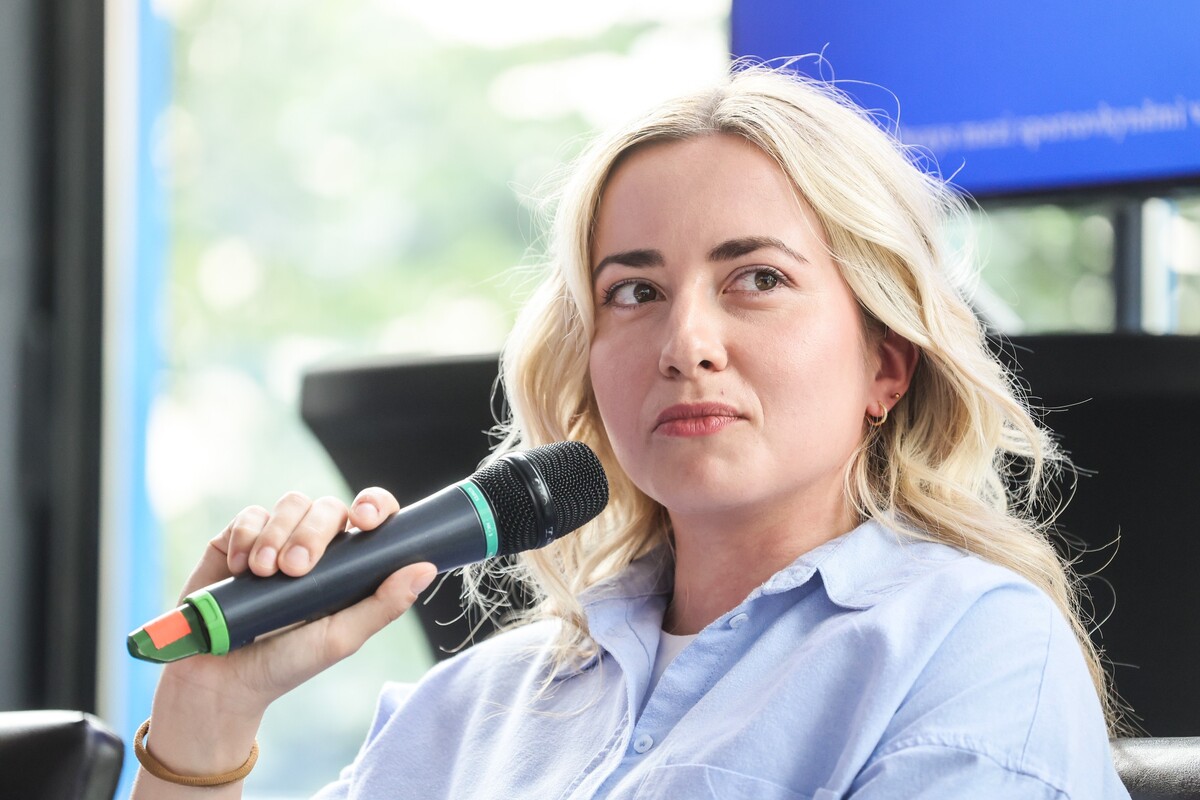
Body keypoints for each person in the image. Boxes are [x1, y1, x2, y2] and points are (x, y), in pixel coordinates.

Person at [131, 64, 1132, 799]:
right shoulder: (479, 701)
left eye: (759, 279)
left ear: (885, 361)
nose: (685, 341)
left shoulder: (975, 646)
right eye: (636, 290)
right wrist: (207, 719)